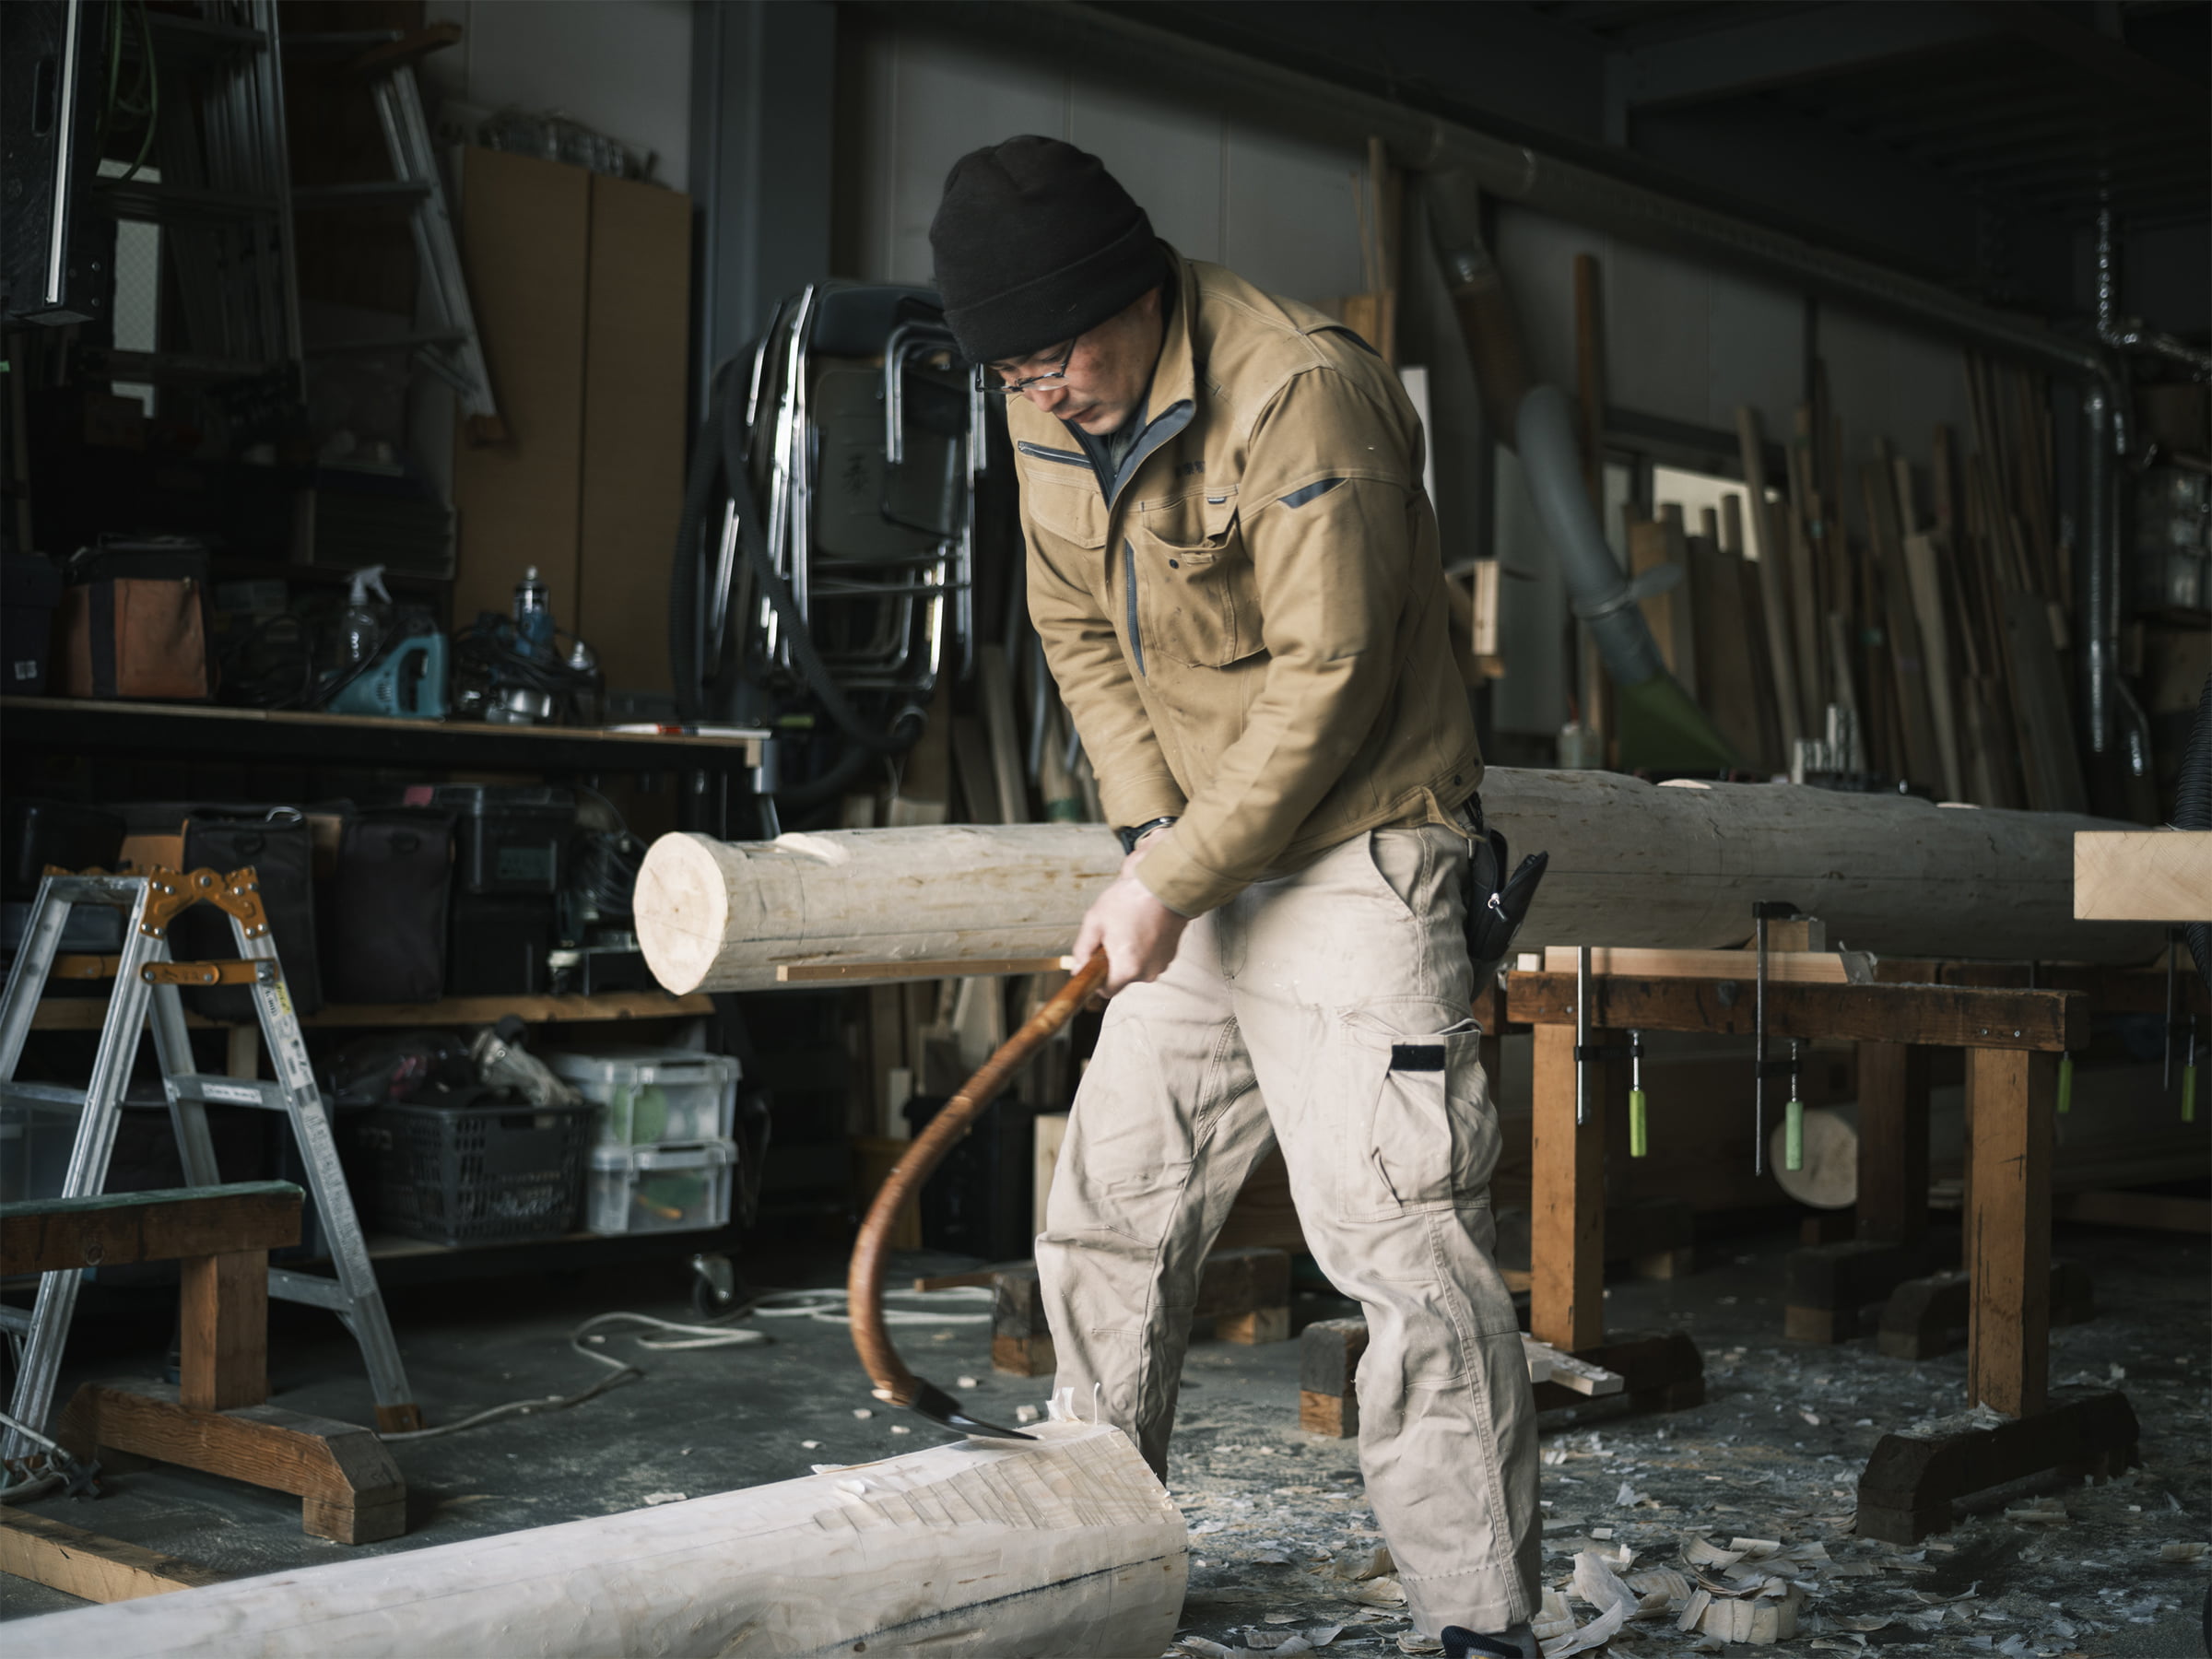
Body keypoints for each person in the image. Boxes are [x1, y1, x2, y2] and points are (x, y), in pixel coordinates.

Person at [930, 135, 1539, 1659]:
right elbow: (1077, 632)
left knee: (1401, 1253)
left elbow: (1329, 684)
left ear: (1135, 290)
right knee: (1112, 1214)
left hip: (1354, 852)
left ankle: (1481, 1627)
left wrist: (1173, 877)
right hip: (1199, 857)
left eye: (1059, 355)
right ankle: (1091, 1565)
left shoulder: (1301, 392)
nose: (1045, 392)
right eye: (1014, 372)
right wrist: (1153, 845)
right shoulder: (1042, 400)